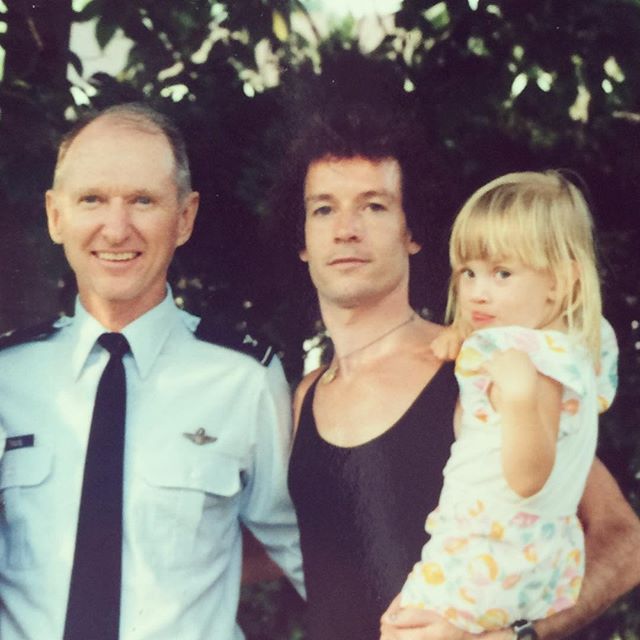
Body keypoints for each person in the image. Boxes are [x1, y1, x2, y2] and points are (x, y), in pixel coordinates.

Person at [277, 103, 640, 640]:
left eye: (374, 206)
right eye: (324, 209)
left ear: (412, 231)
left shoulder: (475, 367)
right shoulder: (305, 395)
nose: (346, 230)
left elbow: (623, 536)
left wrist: (517, 636)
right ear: (303, 241)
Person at [0, 103, 303, 640]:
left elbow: (310, 554)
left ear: (184, 218)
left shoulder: (243, 381)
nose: (116, 229)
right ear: (55, 216)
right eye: (92, 199)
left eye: (143, 200)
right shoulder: (8, 379)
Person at [399, 171, 618, 633]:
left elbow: (527, 476)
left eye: (502, 273)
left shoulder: (526, 364)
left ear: (560, 282)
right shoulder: (580, 346)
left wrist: (517, 396)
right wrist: (462, 332)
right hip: (538, 560)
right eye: (469, 272)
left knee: (400, 629)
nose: (478, 291)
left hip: (482, 553)